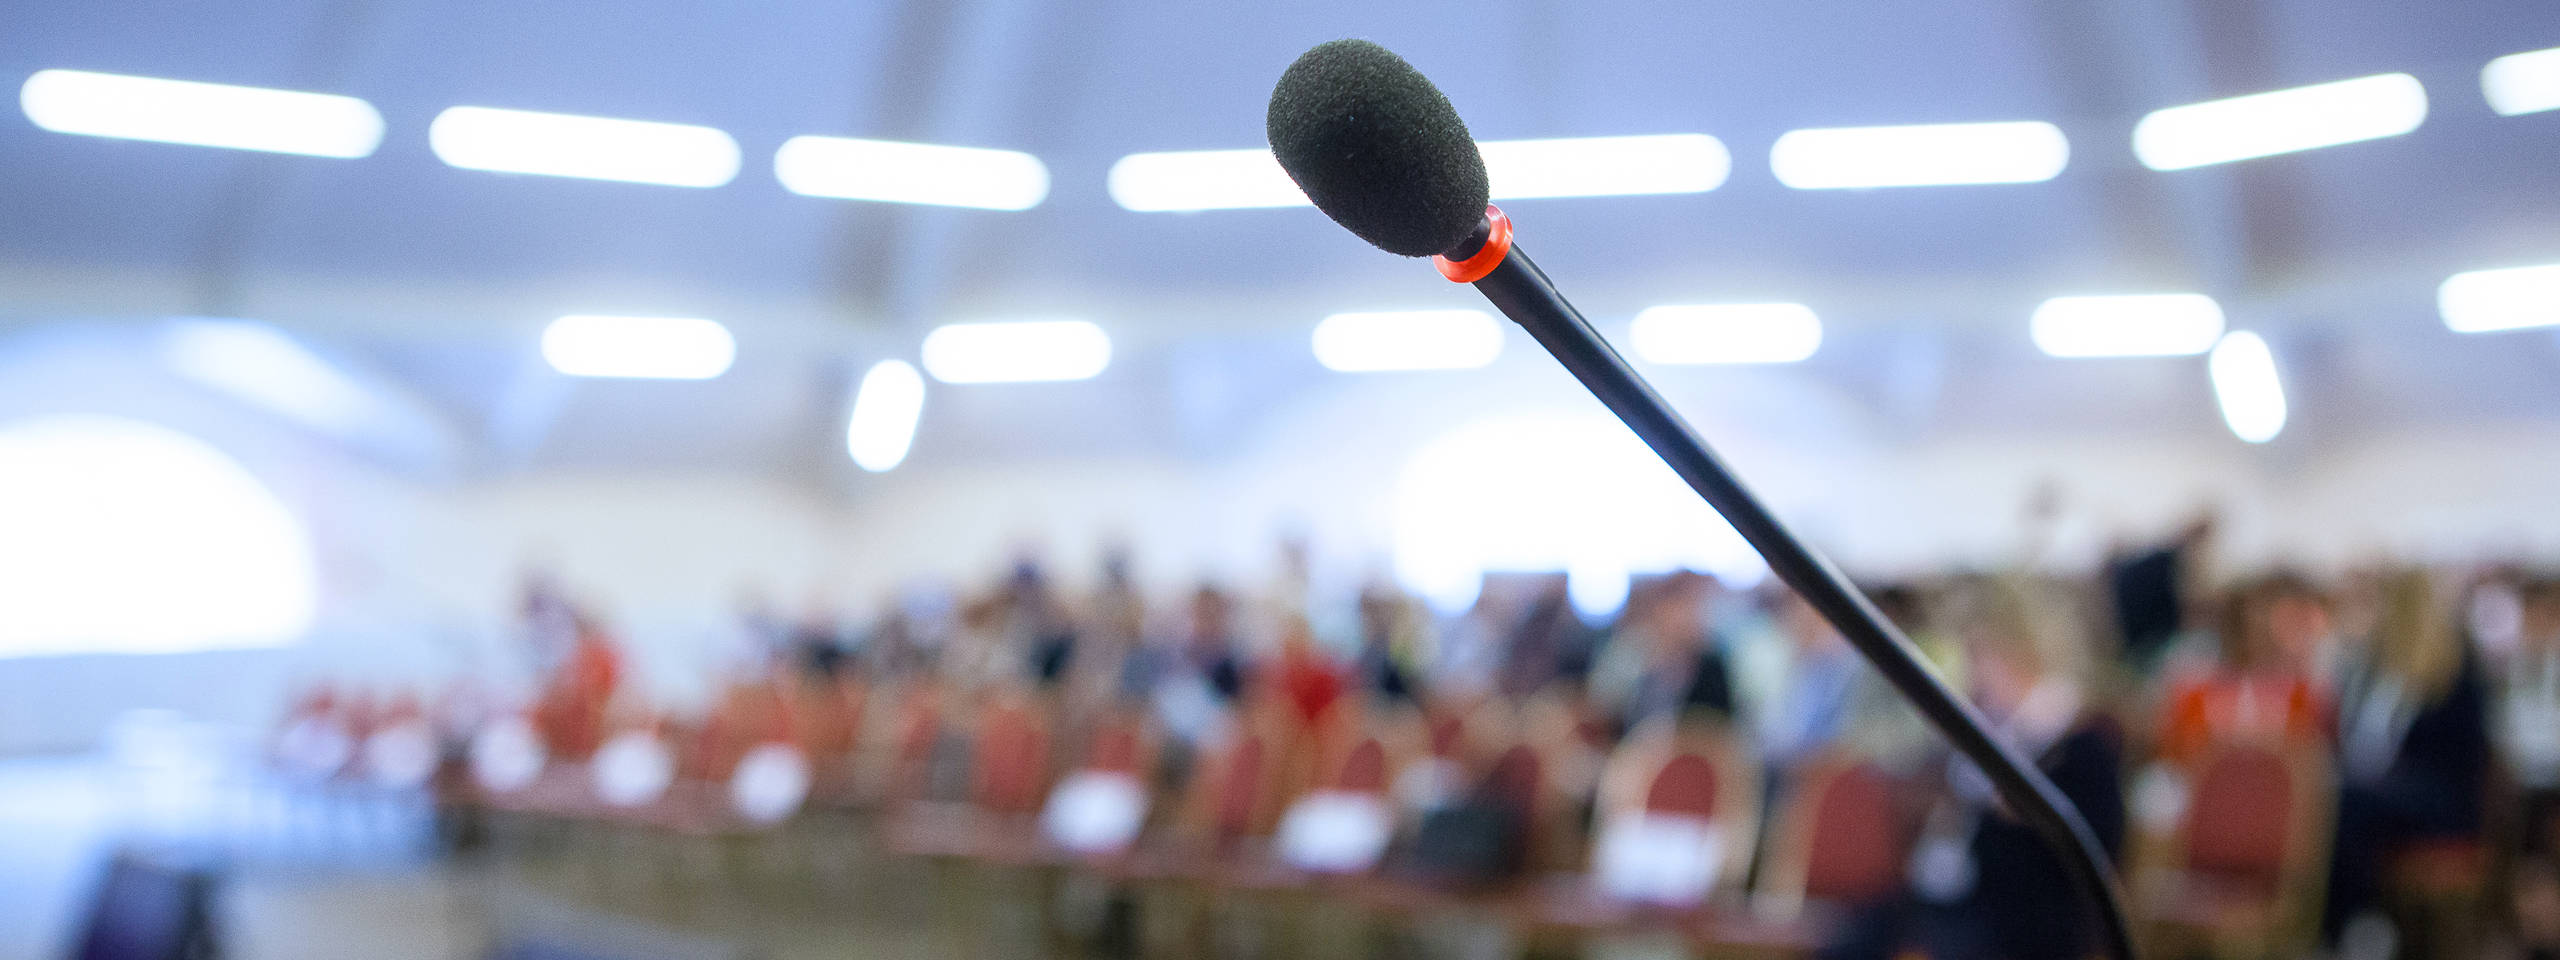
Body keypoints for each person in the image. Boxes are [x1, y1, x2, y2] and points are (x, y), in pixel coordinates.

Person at [1826, 580, 2126, 960]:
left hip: (2023, 918)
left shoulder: (2077, 738)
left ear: (2015, 648)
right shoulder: (1990, 726)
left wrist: (2005, 816)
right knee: (1852, 938)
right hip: (1955, 902)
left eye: (1978, 653)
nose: (1972, 671)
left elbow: (2095, 849)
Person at [2323, 569, 2491, 945]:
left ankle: (2353, 927)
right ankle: (2331, 921)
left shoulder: (2453, 672)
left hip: (2439, 800)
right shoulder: (2373, 670)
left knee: (2349, 802)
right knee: (2328, 797)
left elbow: (2458, 759)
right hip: (2382, 790)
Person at [2153, 573, 2337, 769]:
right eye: (2242, 619)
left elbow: (2314, 762)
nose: (2252, 628)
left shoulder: (2303, 695)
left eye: (2261, 616)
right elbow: (2174, 759)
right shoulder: (2193, 692)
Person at [2504, 577, 2560, 960]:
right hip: (2525, 784)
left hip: (2552, 783)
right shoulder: (2518, 668)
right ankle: (2536, 938)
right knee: (2528, 868)